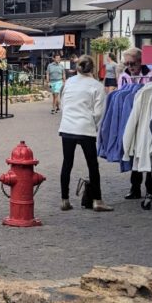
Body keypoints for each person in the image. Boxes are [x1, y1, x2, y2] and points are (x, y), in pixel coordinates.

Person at [58, 54, 113, 212]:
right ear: (93, 68)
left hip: (67, 127)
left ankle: (64, 199)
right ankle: (97, 200)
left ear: (77, 68)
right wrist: (92, 125)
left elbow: (63, 104)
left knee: (67, 163)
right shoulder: (96, 86)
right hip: (85, 128)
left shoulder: (68, 82)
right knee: (92, 165)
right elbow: (98, 112)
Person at [119, 47, 152, 198]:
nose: (130, 67)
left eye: (132, 63)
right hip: (131, 116)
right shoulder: (124, 76)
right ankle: (135, 188)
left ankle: (151, 188)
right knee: (134, 151)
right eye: (127, 64)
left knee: (149, 151)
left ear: (141, 61)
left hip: (147, 116)